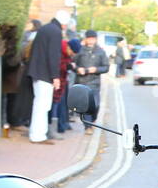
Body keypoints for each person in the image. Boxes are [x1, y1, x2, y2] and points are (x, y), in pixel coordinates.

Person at [27, 9, 70, 144]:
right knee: (43, 105)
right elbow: (53, 56)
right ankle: (38, 135)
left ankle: (37, 133)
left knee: (39, 104)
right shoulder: (56, 32)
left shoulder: (45, 28)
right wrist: (55, 77)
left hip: (37, 71)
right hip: (45, 74)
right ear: (64, 23)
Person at [74, 29, 110, 135]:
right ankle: (88, 126)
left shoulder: (100, 51)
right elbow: (73, 64)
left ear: (96, 39)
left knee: (95, 105)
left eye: (93, 39)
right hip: (82, 82)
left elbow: (106, 67)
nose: (91, 41)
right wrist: (78, 69)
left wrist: (96, 69)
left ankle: (92, 119)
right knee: (85, 106)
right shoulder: (80, 50)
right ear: (85, 39)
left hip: (94, 82)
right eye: (89, 38)